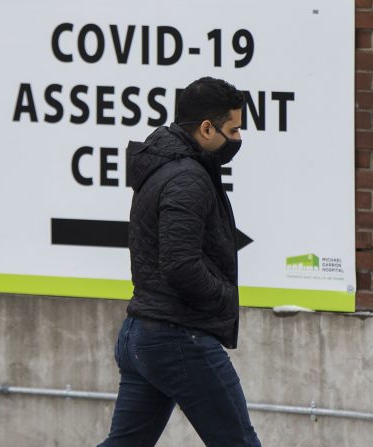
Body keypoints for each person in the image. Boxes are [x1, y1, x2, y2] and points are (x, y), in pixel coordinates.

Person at [98, 77, 261, 446]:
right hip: (178, 337)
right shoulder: (187, 177)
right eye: (233, 129)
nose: (237, 139)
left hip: (142, 333)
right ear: (207, 128)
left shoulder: (163, 164)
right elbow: (179, 264)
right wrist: (224, 296)